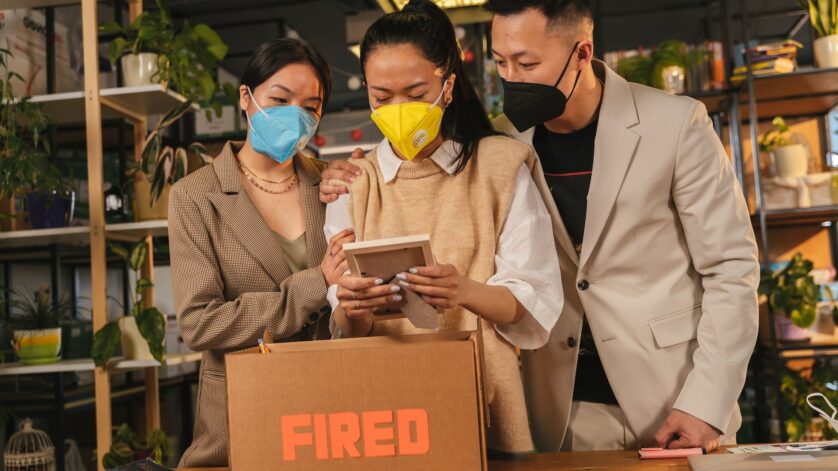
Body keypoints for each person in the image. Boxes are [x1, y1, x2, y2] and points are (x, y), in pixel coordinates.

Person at [321, 0, 759, 454]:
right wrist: (343, 174)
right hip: (558, 404)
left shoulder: (675, 123)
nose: (512, 78)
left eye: (527, 62)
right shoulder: (501, 144)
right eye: (500, 62)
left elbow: (731, 269)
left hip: (671, 397)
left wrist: (705, 404)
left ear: (582, 54)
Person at [323, 0, 563, 455]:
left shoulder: (498, 167)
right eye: (381, 97)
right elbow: (346, 329)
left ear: (447, 85)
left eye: (415, 94)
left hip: (481, 390)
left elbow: (533, 300)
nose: (398, 109)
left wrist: (464, 291)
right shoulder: (354, 183)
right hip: (381, 409)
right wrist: (353, 306)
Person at [169, 38, 354, 467]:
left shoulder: (331, 185)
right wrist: (315, 283)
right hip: (241, 416)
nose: (297, 114)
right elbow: (199, 323)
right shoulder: (195, 196)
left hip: (334, 413)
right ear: (246, 98)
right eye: (280, 98)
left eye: (311, 105)